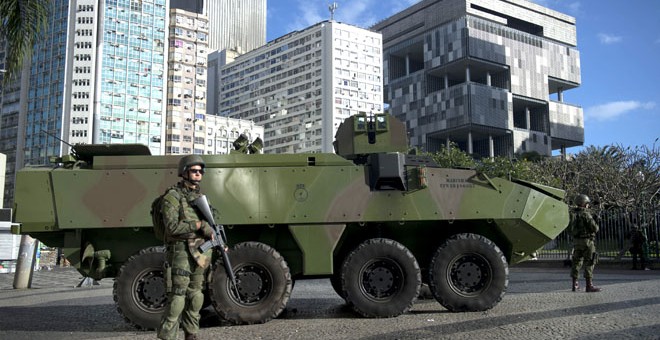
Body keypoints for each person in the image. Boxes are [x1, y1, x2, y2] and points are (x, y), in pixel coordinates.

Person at [157, 155, 215, 340]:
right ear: (184, 172)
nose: (198, 174)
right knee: (178, 297)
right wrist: (198, 226)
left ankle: (191, 334)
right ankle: (168, 336)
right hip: (180, 250)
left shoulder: (201, 198)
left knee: (196, 296)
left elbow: (211, 226)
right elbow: (172, 227)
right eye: (194, 170)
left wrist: (218, 240)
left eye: (200, 171)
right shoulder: (172, 197)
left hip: (200, 251)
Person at [569, 194, 602, 293]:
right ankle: (589, 285)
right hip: (587, 241)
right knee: (590, 261)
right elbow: (595, 228)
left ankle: (575, 284)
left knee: (576, 262)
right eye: (587, 204)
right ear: (584, 204)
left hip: (576, 241)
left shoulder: (572, 214)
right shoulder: (586, 214)